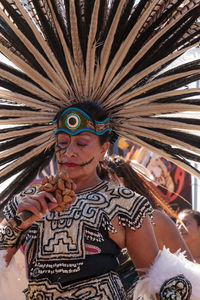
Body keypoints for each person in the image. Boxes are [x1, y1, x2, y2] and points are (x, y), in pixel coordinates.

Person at [0, 1, 200, 299]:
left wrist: (177, 289)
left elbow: (157, 280)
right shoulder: (25, 203)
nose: (69, 152)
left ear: (104, 149)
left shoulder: (126, 204)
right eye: (62, 144)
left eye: (82, 143)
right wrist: (16, 225)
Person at [98, 155, 194, 296]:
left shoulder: (155, 219)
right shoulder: (91, 223)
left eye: (100, 183)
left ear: (117, 180)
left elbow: (191, 279)